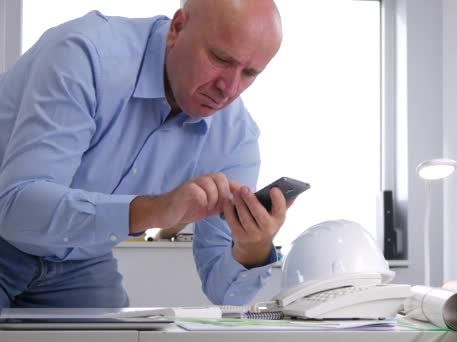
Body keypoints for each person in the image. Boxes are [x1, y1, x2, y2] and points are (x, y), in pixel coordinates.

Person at [0, 0, 287, 308]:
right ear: (176, 28)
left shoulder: (234, 138)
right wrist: (154, 211)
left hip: (78, 259)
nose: (228, 88)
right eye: (220, 58)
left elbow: (225, 294)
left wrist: (252, 248)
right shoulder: (86, 56)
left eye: (250, 73)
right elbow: (15, 208)